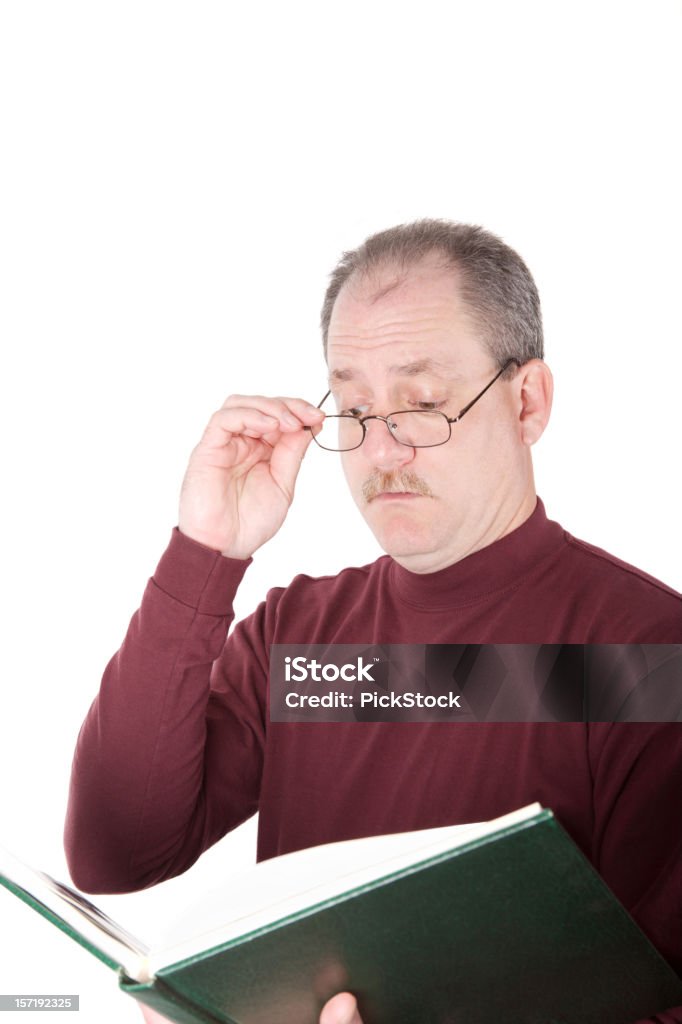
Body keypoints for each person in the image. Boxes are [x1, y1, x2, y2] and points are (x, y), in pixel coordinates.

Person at [64, 220, 682, 1023]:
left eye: (422, 404)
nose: (381, 451)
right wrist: (205, 552)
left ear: (527, 401)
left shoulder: (645, 655)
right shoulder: (302, 639)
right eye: (354, 407)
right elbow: (116, 850)